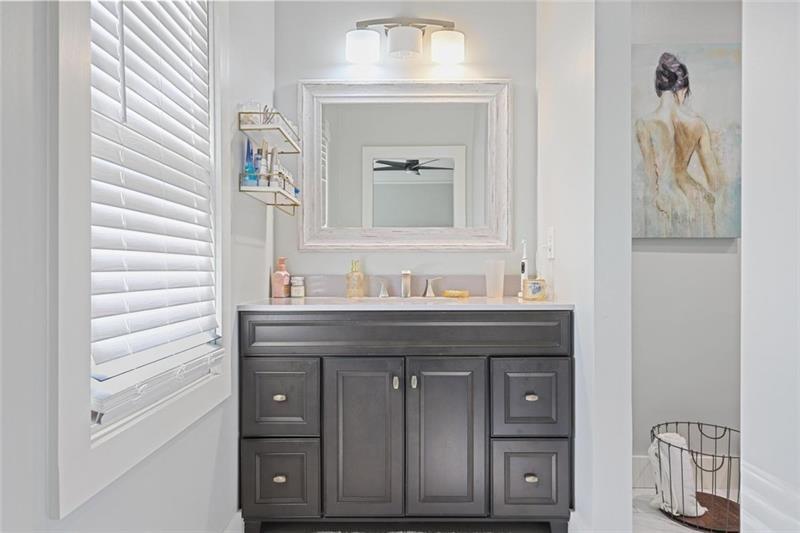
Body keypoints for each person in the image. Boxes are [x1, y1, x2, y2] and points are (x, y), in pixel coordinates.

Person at [635, 52, 725, 236]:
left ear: (659, 87)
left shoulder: (644, 125)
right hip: (695, 201)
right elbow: (715, 182)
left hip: (664, 206)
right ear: (682, 88)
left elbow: (651, 178)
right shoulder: (698, 125)